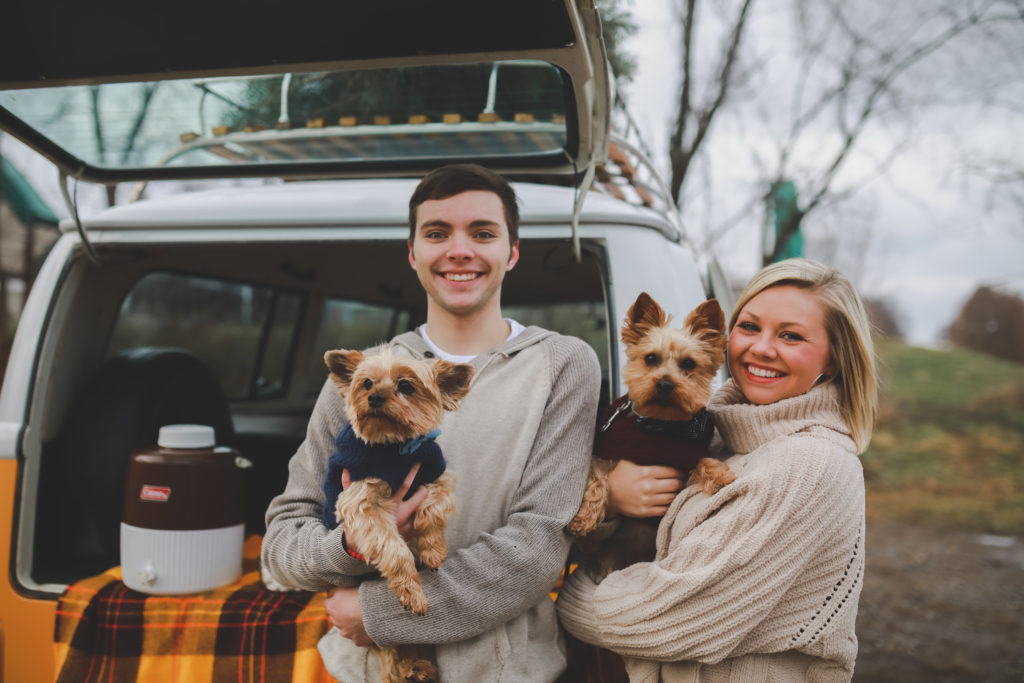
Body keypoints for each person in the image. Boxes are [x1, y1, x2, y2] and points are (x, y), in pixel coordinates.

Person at [262, 163, 602, 683]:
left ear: (511, 252)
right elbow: (282, 544)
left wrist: (379, 614)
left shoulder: (561, 365)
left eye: (483, 233)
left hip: (508, 673)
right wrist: (353, 546)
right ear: (413, 253)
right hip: (365, 673)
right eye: (437, 233)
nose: (459, 249)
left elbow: (537, 550)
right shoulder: (364, 379)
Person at [557, 258, 877, 682]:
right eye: (749, 327)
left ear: (834, 360)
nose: (761, 348)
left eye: (791, 335)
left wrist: (562, 595)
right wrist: (611, 501)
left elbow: (667, 620)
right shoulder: (722, 435)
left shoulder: (810, 466)